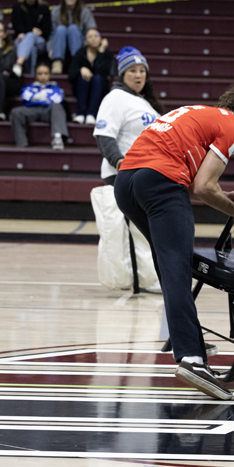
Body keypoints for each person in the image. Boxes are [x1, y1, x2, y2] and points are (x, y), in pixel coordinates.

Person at [114, 81, 234, 400]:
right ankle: (191, 357)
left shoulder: (199, 111)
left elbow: (187, 175)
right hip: (160, 184)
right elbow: (203, 186)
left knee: (168, 263)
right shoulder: (231, 126)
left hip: (127, 182)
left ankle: (185, 338)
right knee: (177, 267)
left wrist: (220, 194)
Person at [92, 46, 163, 293]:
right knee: (138, 230)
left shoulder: (144, 103)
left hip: (146, 174)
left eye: (142, 70)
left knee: (145, 228)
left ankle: (147, 277)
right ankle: (143, 279)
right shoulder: (115, 98)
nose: (138, 75)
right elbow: (104, 134)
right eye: (132, 70)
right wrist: (119, 162)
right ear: (122, 74)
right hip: (124, 175)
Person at [9, 61, 68, 150]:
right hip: (31, 110)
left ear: (49, 75)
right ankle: (21, 143)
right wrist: (46, 96)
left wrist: (38, 96)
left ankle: (57, 137)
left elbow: (58, 99)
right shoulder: (30, 87)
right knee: (16, 112)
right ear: (36, 75)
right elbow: (26, 97)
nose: (43, 76)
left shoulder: (56, 88)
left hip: (48, 111)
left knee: (57, 107)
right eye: (40, 74)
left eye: (46, 73)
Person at [68, 28, 112, 124]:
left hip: (100, 89)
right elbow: (71, 75)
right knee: (84, 77)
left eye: (96, 35)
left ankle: (92, 114)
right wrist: (81, 69)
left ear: (101, 38)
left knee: (97, 78)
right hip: (81, 88)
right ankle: (80, 113)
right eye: (90, 36)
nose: (93, 39)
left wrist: (100, 53)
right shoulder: (80, 53)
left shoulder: (107, 54)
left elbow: (103, 72)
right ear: (85, 41)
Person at [50, 0, 96, 75]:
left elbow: (92, 30)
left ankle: (77, 62)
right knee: (61, 29)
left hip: (79, 44)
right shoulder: (55, 11)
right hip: (58, 45)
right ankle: (57, 62)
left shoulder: (84, 12)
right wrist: (50, 48)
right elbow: (50, 34)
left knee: (73, 28)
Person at [11, 0, 51, 77]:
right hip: (21, 39)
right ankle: (31, 76)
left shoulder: (44, 8)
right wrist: (30, 30)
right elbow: (16, 26)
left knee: (30, 36)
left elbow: (47, 29)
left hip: (40, 40)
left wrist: (30, 32)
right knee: (31, 47)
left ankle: (19, 64)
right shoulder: (17, 7)